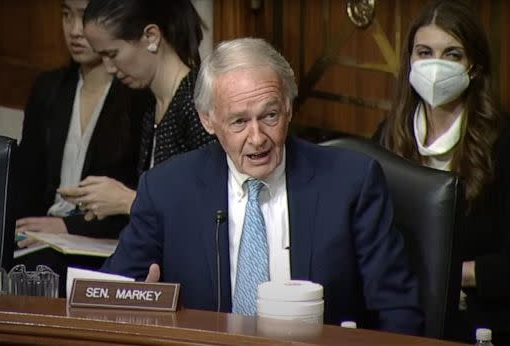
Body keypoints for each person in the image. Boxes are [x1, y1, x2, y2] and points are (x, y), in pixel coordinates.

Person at [101, 37, 423, 334]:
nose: (257, 139)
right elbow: (107, 296)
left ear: (289, 108)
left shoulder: (351, 183)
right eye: (239, 121)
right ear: (207, 119)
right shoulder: (167, 190)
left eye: (270, 115)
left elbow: (398, 310)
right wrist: (140, 302)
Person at [374, 1, 510, 344]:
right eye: (424, 52)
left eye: (452, 54)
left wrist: (453, 275)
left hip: (480, 317)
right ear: (410, 61)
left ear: (474, 67)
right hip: (399, 308)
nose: (436, 65)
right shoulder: (388, 134)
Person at [58, 0, 215, 220]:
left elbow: (213, 207)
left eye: (112, 54)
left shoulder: (196, 102)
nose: (109, 67)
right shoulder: (152, 106)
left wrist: (126, 200)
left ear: (151, 37)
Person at [15, 0, 148, 247]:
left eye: (84, 16)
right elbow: (26, 179)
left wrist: (67, 226)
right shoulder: (48, 88)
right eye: (67, 15)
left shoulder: (138, 96)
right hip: (41, 231)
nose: (75, 30)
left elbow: (137, 196)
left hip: (104, 238)